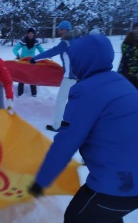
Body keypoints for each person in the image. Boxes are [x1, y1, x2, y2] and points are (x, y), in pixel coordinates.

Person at [28, 34, 138, 223]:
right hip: (129, 183)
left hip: (118, 185)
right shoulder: (123, 84)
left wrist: (41, 181)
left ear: (80, 60)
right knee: (107, 215)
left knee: (77, 217)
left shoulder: (86, 91)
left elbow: (66, 143)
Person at [29, 20, 81, 132]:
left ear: (67, 30)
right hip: (80, 76)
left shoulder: (65, 43)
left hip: (70, 77)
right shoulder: (78, 40)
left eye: (61, 29)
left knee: (61, 100)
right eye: (59, 29)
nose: (59, 31)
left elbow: (52, 52)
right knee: (75, 101)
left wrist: (34, 59)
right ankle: (75, 123)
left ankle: (57, 125)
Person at [13, 27, 45, 97]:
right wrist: (17, 55)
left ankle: (34, 95)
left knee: (32, 79)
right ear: (27, 34)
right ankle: (19, 95)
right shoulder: (23, 41)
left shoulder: (36, 42)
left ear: (34, 34)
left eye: (32, 33)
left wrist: (44, 57)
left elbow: (42, 51)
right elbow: (15, 49)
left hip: (32, 63)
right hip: (23, 62)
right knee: (21, 79)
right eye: (29, 33)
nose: (30, 34)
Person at [117, 22, 138, 89]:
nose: (137, 30)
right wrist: (136, 72)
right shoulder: (128, 41)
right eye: (135, 28)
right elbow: (130, 59)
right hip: (128, 74)